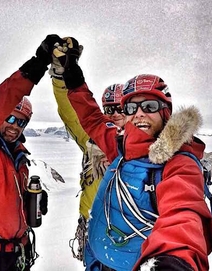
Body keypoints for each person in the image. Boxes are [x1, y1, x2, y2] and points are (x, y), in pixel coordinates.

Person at [50, 37, 212, 270]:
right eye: (130, 107)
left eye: (149, 107)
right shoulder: (121, 146)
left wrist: (173, 261)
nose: (138, 114)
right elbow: (91, 117)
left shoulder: (179, 164)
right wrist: (73, 76)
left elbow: (183, 213)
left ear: (165, 113)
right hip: (98, 262)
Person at [0, 35, 64, 271]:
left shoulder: (20, 157)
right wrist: (38, 64)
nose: (15, 126)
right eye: (9, 118)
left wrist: (30, 204)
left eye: (21, 122)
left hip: (19, 252)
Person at [51, 69, 126, 263]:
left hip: (124, 235)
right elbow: (71, 114)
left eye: (121, 108)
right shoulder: (91, 139)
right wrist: (61, 79)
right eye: (109, 109)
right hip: (91, 225)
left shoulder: (141, 148)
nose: (115, 114)